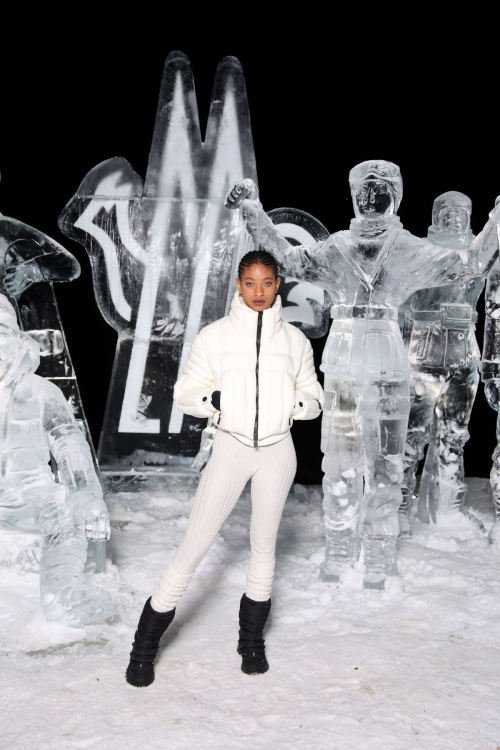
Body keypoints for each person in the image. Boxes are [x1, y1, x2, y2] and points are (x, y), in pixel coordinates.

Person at [225, 163, 499, 589]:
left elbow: (470, 264)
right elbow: (287, 258)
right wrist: (253, 210)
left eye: (381, 190)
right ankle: (338, 544)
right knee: (339, 460)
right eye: (364, 190)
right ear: (353, 195)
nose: (371, 199)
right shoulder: (337, 247)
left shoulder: (409, 249)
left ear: (397, 196)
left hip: (390, 362)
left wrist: (497, 220)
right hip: (344, 365)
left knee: (388, 461)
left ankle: (378, 549)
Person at [125, 250, 324, 687]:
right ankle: (142, 649)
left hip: (278, 452)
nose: (258, 291)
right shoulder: (214, 337)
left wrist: (295, 403)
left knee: (263, 547)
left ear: (278, 285)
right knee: (193, 547)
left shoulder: (295, 341)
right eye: (250, 282)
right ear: (238, 284)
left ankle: (250, 643)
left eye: (267, 283)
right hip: (231, 449)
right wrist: (214, 402)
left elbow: (314, 398)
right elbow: (186, 392)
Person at [0, 295, 113, 626]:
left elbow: (69, 443)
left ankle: (62, 598)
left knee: (64, 511)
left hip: (28, 495)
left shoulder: (40, 392)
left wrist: (86, 494)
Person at [399, 192, 492, 534]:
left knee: (455, 435)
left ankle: (448, 507)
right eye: (448, 211)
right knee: (411, 434)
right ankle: (397, 504)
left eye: (463, 212)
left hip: (463, 352)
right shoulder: (420, 251)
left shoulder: (480, 254)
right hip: (423, 350)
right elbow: (401, 301)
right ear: (436, 215)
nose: (455, 218)